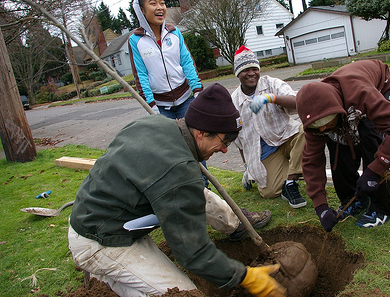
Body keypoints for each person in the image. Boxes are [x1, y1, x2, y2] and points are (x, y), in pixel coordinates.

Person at [67, 84, 284, 297]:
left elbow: (187, 192)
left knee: (196, 193)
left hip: (96, 214)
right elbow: (193, 253)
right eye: (224, 140)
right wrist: (244, 276)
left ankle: (234, 225)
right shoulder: (179, 172)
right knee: (183, 294)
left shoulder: (155, 124)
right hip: (102, 239)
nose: (225, 149)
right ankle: (106, 278)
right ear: (201, 133)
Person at [296, 60, 390, 230]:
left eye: (327, 121)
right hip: (345, 107)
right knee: (335, 139)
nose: (322, 127)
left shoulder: (361, 94)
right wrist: (320, 207)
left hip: (384, 87)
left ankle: (382, 207)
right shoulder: (315, 119)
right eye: (317, 126)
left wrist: (375, 171)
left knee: (371, 134)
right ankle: (353, 198)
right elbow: (311, 161)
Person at [231, 46, 307, 209]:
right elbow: (239, 140)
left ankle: (291, 181)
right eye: (245, 70)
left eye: (254, 68)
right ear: (238, 74)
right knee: (270, 192)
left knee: (306, 132)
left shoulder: (271, 84)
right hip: (266, 152)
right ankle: (291, 171)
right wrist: (247, 168)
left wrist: (271, 98)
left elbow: (297, 102)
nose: (251, 73)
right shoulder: (234, 102)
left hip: (288, 138)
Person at [129, 0, 203, 118]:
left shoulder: (174, 33)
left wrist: (197, 90)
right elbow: (140, 75)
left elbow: (187, 62)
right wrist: (150, 104)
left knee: (193, 136)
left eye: (162, 3)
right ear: (142, 10)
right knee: (169, 138)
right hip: (159, 105)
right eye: (153, 3)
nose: (159, 8)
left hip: (185, 98)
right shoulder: (135, 40)